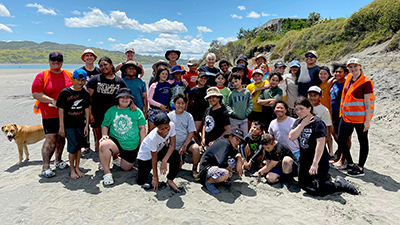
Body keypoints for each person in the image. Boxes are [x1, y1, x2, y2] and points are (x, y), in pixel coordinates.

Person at [289, 98, 358, 196]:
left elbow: (320, 144)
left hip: (319, 159)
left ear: (309, 108)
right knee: (303, 185)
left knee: (318, 190)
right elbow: (291, 137)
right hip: (305, 159)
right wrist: (302, 124)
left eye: (301, 109)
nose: (298, 112)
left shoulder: (318, 123)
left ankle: (340, 184)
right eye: (296, 109)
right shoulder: (298, 122)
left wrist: (315, 163)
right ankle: (324, 178)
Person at [32, 51, 73, 178]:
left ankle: (58, 160)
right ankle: (45, 166)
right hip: (49, 112)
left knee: (62, 137)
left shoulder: (67, 74)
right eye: (53, 59)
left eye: (59, 60)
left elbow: (76, 88)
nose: (56, 62)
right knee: (50, 138)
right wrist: (52, 101)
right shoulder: (42, 75)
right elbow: (36, 93)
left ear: (62, 61)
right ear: (49, 61)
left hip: (66, 113)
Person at [99, 88, 147, 185]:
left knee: (126, 168)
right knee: (104, 144)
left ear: (131, 99)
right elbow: (105, 125)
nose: (125, 99)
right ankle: (107, 173)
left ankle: (117, 159)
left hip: (131, 145)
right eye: (122, 97)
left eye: (127, 97)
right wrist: (104, 135)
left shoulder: (137, 111)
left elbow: (142, 128)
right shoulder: (111, 110)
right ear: (118, 98)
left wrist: (143, 143)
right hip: (115, 140)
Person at [338, 58, 375, 177]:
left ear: (360, 66)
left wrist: (367, 121)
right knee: (341, 140)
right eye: (350, 67)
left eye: (355, 66)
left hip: (360, 119)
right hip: (347, 117)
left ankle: (360, 167)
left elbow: (367, 103)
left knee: (363, 141)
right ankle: (350, 163)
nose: (352, 69)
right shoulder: (349, 78)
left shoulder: (366, 82)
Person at [86, 56, 128, 153]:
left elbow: (126, 95)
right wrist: (90, 113)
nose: (103, 67)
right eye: (100, 66)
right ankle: (101, 155)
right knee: (98, 136)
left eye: (105, 64)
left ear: (111, 65)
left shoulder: (119, 81)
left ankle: (112, 154)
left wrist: (132, 105)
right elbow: (88, 98)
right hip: (97, 113)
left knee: (112, 136)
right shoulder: (95, 80)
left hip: (113, 114)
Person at [57, 69, 90, 179]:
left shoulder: (85, 93)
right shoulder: (65, 93)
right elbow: (61, 109)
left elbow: (87, 108)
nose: (80, 82)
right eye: (78, 80)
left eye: (82, 80)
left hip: (81, 124)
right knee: (72, 147)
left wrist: (87, 125)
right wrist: (61, 126)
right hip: (69, 125)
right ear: (73, 79)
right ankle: (72, 169)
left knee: (79, 146)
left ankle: (77, 168)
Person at [136, 113, 179, 191]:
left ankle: (170, 179)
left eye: (167, 127)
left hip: (160, 149)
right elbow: (154, 158)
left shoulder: (172, 125)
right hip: (145, 156)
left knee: (175, 154)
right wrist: (156, 177)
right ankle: (148, 175)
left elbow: (172, 145)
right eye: (161, 129)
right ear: (157, 127)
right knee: (141, 181)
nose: (165, 130)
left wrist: (164, 161)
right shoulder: (153, 138)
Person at [199, 129, 244, 194]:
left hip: (213, 167)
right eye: (237, 139)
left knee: (236, 161)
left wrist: (239, 158)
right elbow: (221, 161)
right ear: (230, 136)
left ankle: (218, 180)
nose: (237, 142)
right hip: (205, 170)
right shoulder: (224, 143)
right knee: (226, 173)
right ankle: (209, 182)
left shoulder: (229, 144)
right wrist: (229, 168)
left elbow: (236, 152)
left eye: (239, 141)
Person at [168, 94, 201, 179]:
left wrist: (184, 146)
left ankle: (194, 168)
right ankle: (180, 160)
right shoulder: (169, 116)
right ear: (174, 104)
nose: (181, 105)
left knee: (196, 148)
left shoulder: (188, 116)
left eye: (183, 103)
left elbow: (191, 132)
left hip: (187, 142)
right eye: (178, 103)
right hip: (174, 144)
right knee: (177, 168)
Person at [329, 63, 349, 168]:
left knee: (345, 137)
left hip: (344, 113)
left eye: (340, 72)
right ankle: (338, 157)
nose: (337, 73)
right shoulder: (334, 83)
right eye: (336, 71)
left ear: (346, 73)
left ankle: (343, 160)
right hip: (334, 113)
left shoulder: (346, 84)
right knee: (337, 135)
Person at [307, 86, 334, 157]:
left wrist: (330, 150)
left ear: (320, 97)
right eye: (310, 95)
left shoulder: (324, 110)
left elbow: (327, 132)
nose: (312, 98)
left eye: (315, 96)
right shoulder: (304, 107)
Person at [187, 72, 210, 142]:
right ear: (198, 79)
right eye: (201, 78)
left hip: (207, 112)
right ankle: (196, 145)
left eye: (205, 79)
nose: (203, 80)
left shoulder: (208, 89)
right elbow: (190, 102)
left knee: (207, 131)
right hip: (197, 113)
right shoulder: (193, 90)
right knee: (196, 131)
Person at [147, 67, 171, 132]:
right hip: (154, 110)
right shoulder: (154, 85)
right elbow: (149, 99)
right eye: (162, 74)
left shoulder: (169, 84)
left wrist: (184, 81)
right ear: (159, 75)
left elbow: (179, 80)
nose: (164, 76)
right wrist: (159, 105)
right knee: (151, 130)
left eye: (166, 74)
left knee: (163, 131)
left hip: (164, 110)